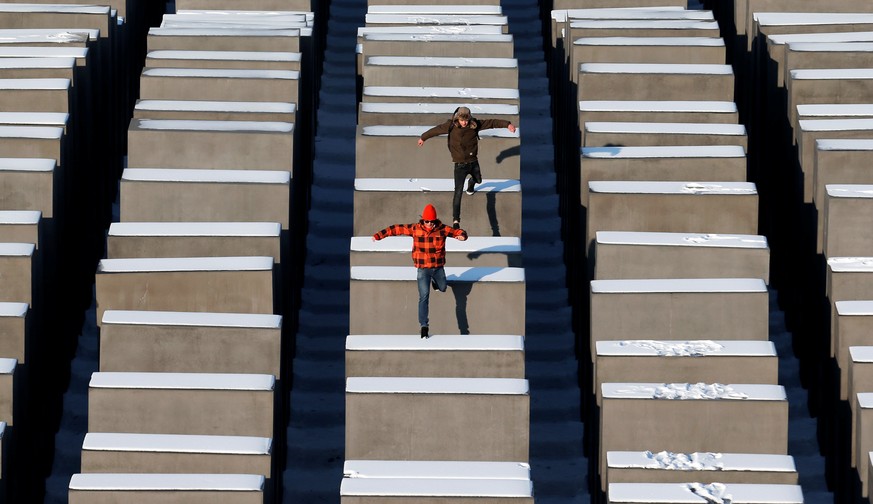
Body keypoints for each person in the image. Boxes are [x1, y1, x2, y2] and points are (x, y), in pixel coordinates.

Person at [372, 204, 467, 339]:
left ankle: (436, 282)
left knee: (443, 287)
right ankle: (424, 326)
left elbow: (458, 232)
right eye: (427, 221)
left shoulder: (442, 229)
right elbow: (396, 229)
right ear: (423, 220)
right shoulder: (415, 229)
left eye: (432, 222)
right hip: (422, 269)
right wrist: (378, 236)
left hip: (438, 268)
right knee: (424, 297)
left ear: (436, 220)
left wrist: (462, 236)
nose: (430, 224)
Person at [417, 106, 517, 229]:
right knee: (458, 192)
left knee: (478, 180)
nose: (464, 123)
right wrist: (423, 137)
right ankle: (456, 220)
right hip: (459, 165)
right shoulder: (450, 126)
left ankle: (471, 184)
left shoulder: (475, 124)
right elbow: (436, 130)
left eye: (466, 120)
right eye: (462, 120)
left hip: (473, 161)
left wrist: (507, 124)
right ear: (457, 119)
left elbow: (492, 123)